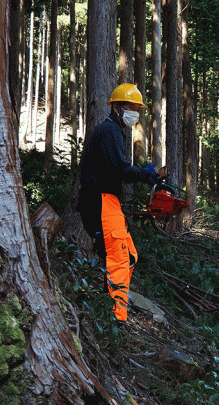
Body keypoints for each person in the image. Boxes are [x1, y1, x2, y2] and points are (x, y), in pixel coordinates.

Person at [76, 83, 160, 322]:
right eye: (131, 107)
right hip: (100, 201)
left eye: (137, 108)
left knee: (129, 256)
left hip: (108, 202)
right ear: (117, 107)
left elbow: (116, 169)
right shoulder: (109, 131)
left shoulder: (114, 131)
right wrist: (144, 174)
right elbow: (118, 168)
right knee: (119, 259)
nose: (135, 112)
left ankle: (109, 306)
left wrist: (144, 174)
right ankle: (115, 318)